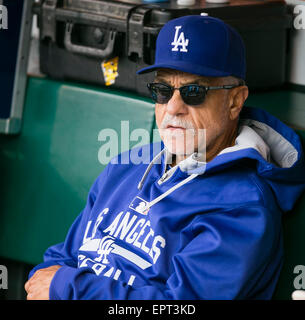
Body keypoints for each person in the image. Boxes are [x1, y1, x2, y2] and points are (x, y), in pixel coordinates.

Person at [25, 15, 305, 300]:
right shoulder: (127, 165)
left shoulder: (241, 207)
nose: (173, 107)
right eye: (162, 90)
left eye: (193, 92)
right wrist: (56, 283)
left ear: (234, 101)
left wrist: (68, 288)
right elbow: (59, 261)